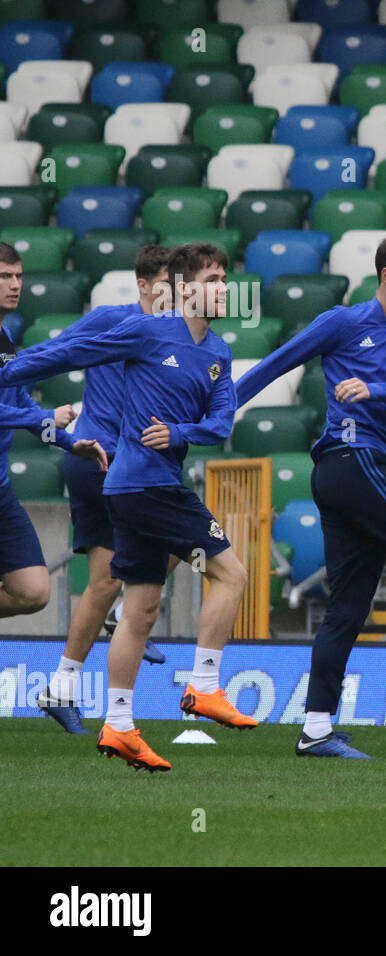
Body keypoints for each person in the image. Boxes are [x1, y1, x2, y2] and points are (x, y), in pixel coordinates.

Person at [0, 242, 256, 772]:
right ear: (184, 289)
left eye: (225, 279)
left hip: (144, 486)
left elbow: (221, 425)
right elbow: (71, 353)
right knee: (230, 573)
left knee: (138, 609)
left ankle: (118, 725)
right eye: (212, 279)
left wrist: (181, 431)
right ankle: (205, 685)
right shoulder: (147, 330)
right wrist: (10, 372)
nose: (222, 288)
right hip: (143, 487)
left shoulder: (220, 353)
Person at [233, 235, 386, 760]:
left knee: (346, 608)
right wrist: (215, 411)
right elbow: (276, 364)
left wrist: (373, 388)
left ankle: (315, 730)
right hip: (350, 460)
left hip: (359, 470)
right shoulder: (342, 321)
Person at [29, 246, 175, 735]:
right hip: (100, 461)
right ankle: (116, 619)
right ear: (141, 284)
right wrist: (11, 373)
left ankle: (62, 687)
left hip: (126, 465)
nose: (171, 293)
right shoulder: (111, 321)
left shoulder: (178, 336)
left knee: (105, 581)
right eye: (162, 283)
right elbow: (55, 352)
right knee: (193, 541)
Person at [0, 243, 110, 625]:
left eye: (18, 276)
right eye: (4, 276)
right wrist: (49, 415)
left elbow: (21, 405)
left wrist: (69, 442)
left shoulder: (3, 338)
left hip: (1, 492)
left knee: (33, 591)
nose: (15, 284)